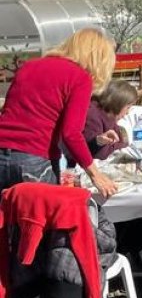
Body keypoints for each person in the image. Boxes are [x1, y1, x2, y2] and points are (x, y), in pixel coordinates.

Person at [0, 27, 118, 197]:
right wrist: (95, 175)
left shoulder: (28, 67)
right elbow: (71, 134)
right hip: (35, 157)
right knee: (45, 221)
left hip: (3, 150)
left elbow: (9, 112)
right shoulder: (79, 77)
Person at [81, 79, 138, 162]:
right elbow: (100, 154)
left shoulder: (109, 117)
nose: (128, 112)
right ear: (118, 103)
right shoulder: (92, 116)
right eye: (128, 107)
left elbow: (120, 141)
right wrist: (103, 143)